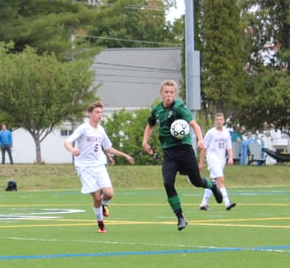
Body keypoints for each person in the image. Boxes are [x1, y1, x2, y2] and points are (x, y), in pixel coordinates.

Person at [142, 80, 223, 231]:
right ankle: (180, 217)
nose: (169, 95)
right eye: (166, 92)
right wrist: (145, 141)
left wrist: (199, 140)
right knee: (167, 183)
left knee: (197, 181)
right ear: (161, 94)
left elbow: (194, 125)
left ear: (175, 94)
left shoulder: (179, 107)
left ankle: (212, 185)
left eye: (171, 93)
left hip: (184, 150)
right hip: (169, 153)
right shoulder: (157, 110)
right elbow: (150, 125)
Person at [63, 101, 135, 233]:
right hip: (85, 167)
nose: (99, 115)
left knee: (109, 194)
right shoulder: (83, 128)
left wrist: (123, 155)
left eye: (101, 112)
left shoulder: (101, 130)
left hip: (99, 166)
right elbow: (67, 142)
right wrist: (73, 150)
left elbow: (107, 147)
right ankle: (101, 224)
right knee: (96, 198)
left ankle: (103, 205)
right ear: (90, 114)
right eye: (97, 112)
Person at [198, 113, 236, 211]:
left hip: (221, 160)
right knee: (221, 180)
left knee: (213, 182)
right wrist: (201, 162)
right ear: (215, 121)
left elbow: (229, 147)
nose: (219, 121)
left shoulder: (226, 133)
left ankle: (203, 204)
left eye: (221, 119)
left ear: (223, 121)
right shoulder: (211, 133)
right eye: (217, 119)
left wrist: (230, 158)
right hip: (212, 159)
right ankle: (227, 202)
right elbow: (203, 147)